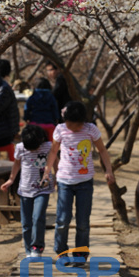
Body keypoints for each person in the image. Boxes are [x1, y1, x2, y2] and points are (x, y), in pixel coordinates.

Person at [42, 101, 114, 265]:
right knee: (62, 220)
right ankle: (62, 252)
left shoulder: (91, 130)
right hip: (64, 181)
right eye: (70, 124)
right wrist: (47, 173)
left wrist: (108, 170)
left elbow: (102, 150)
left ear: (83, 121)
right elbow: (53, 151)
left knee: (82, 222)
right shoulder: (60, 130)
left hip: (85, 182)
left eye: (76, 124)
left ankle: (81, 255)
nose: (73, 127)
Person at [0, 124, 56, 256]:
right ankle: (28, 248)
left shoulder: (48, 146)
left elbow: (56, 161)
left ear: (41, 140)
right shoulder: (20, 148)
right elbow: (17, 164)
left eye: (34, 148)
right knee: (26, 223)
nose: (31, 150)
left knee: (38, 218)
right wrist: (11, 180)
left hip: (43, 189)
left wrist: (58, 177)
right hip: (25, 190)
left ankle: (37, 247)